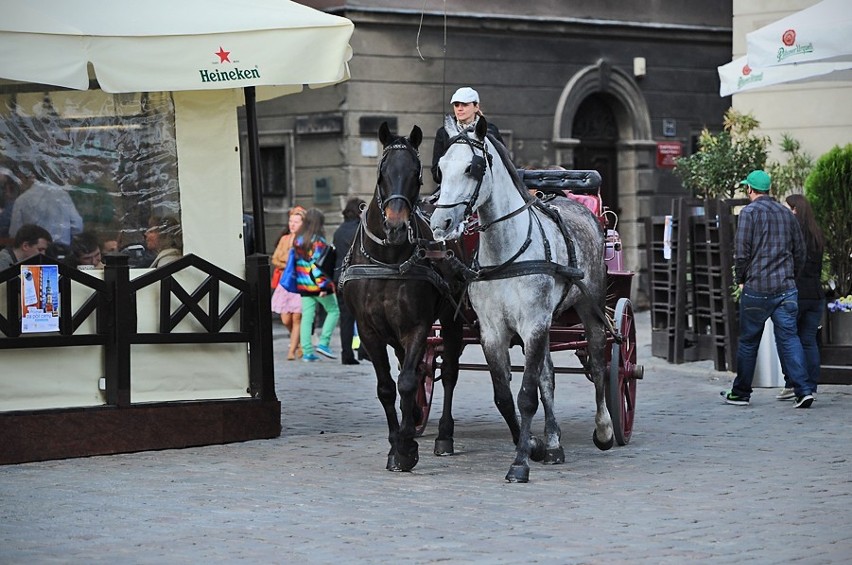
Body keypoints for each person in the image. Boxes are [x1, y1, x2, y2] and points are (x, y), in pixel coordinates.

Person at [721, 170, 814, 408]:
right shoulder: (786, 214)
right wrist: (792, 276)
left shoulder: (748, 213)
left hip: (757, 287)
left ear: (750, 189)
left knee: (749, 341)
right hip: (786, 288)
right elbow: (800, 251)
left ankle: (741, 393)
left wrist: (740, 278)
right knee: (789, 338)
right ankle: (803, 390)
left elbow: (741, 252)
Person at [775, 193, 825, 401]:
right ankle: (810, 386)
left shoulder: (790, 234)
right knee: (809, 341)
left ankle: (794, 384)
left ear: (795, 210)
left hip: (795, 293)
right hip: (816, 294)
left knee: (787, 339)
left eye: (787, 208)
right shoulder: (817, 234)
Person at [431, 86, 505, 186]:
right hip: (451, 190)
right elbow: (436, 173)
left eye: (465, 105)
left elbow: (503, 165)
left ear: (476, 107)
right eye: (456, 105)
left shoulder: (490, 131)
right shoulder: (444, 133)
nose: (459, 109)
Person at [293, 208, 340, 363]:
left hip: (303, 285)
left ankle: (307, 352)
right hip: (318, 285)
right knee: (334, 311)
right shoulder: (318, 241)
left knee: (307, 318)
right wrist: (324, 287)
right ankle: (324, 343)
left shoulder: (298, 239)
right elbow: (318, 266)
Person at [9, 165, 83, 246]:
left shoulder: (21, 200)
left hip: (34, 252)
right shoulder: (63, 195)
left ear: (32, 177)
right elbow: (77, 226)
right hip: (61, 251)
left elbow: (15, 233)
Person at [332, 197, 366, 365]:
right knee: (364, 317)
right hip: (358, 278)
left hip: (340, 279)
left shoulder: (338, 231)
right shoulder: (360, 229)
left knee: (346, 319)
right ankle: (363, 350)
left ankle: (346, 354)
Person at [270, 206, 306, 360]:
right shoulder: (284, 239)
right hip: (285, 282)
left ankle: (291, 350)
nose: (292, 224)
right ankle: (297, 342)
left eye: (296, 222)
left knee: (297, 317)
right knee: (285, 318)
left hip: (299, 282)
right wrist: (289, 263)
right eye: (291, 221)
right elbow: (275, 259)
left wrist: (290, 263)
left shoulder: (305, 240)